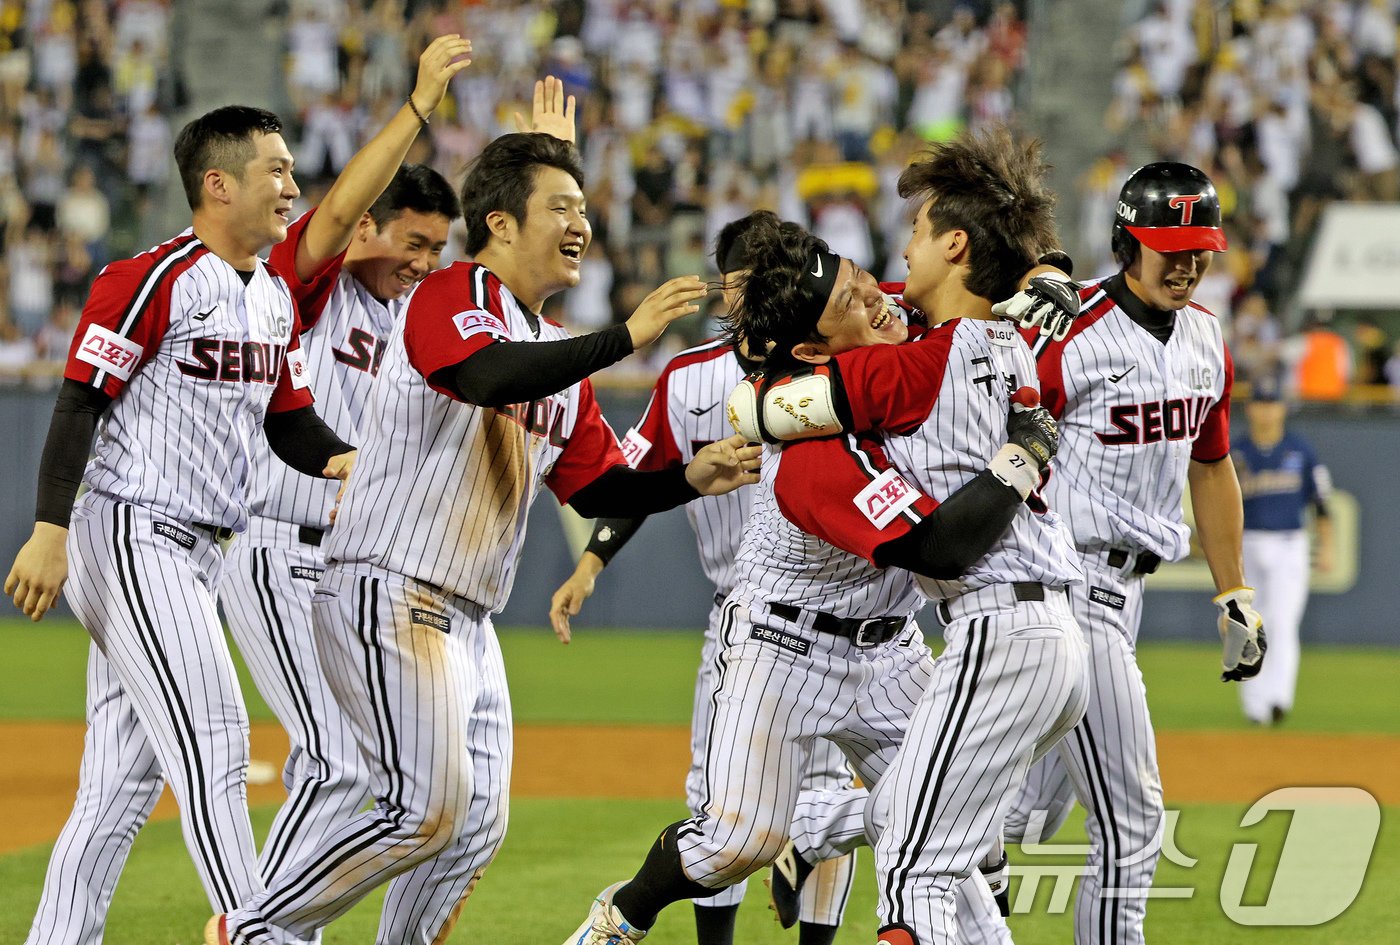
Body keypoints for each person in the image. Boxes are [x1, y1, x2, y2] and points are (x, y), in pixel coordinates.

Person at [208, 130, 761, 945]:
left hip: (468, 614)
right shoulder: (449, 293)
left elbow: (596, 483)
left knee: (474, 824)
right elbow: (485, 374)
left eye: (583, 208)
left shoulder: (552, 353)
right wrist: (623, 338)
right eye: (561, 207)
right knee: (426, 808)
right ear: (500, 224)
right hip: (387, 581)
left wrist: (689, 477)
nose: (582, 224)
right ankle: (255, 928)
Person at [564, 130, 1090, 945]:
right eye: (852, 300)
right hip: (783, 643)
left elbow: (984, 245)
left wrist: (1047, 267)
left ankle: (820, 827)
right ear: (812, 348)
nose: (878, 297)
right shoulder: (816, 455)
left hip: (890, 649)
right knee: (739, 838)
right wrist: (1023, 447)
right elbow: (926, 537)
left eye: (863, 277)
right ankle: (625, 910)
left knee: (957, 841)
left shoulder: (894, 328)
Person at [751, 160, 1268, 945]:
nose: (1191, 261)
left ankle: (824, 820)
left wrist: (757, 405)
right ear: (1130, 242)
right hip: (1068, 598)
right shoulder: (1026, 337)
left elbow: (769, 409)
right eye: (1174, 244)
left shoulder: (929, 358)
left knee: (945, 851)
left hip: (1014, 614)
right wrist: (1046, 266)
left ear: (953, 245)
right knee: (1036, 821)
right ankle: (825, 824)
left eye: (917, 236)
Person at [5, 105, 357, 945]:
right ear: (217, 182)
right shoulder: (152, 276)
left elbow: (291, 423)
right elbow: (80, 398)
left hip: (196, 553)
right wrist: (49, 528)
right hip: (132, 531)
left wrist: (351, 462)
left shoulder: (272, 295)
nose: (291, 185)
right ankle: (259, 930)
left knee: (118, 793)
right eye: (274, 169)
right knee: (215, 736)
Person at [216, 36, 472, 945]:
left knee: (359, 766)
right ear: (368, 226)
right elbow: (334, 216)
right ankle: (256, 929)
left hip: (355, 564)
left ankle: (265, 925)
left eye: (439, 248)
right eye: (414, 242)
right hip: (280, 547)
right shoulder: (305, 290)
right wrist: (416, 110)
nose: (424, 261)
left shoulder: (416, 315)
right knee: (334, 759)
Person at [549, 210, 860, 945]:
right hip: (746, 617)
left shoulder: (837, 363)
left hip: (844, 610)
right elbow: (641, 475)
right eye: (743, 280)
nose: (753, 293)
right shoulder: (689, 378)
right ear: (725, 289)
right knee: (719, 806)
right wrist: (591, 561)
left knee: (829, 795)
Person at [1232, 374, 1332, 725]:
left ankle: (1278, 698)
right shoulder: (1237, 452)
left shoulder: (1300, 449)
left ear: (1282, 409)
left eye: (1272, 403)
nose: (1266, 410)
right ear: (1250, 408)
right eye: (1260, 403)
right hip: (1247, 544)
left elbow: (1322, 503)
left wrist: (1327, 546)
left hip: (1290, 543)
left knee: (1284, 622)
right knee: (1247, 625)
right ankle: (1254, 705)